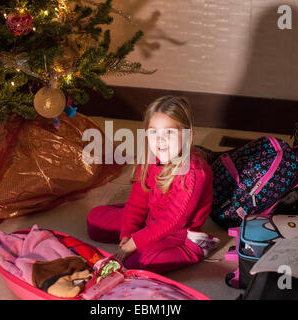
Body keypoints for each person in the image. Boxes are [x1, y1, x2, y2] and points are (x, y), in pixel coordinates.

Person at [86, 96, 219, 273]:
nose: (160, 140)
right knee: (95, 221)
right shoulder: (150, 160)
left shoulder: (194, 173)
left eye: (169, 132)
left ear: (187, 134)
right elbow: (136, 203)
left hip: (179, 234)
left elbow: (173, 221)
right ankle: (141, 235)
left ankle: (196, 249)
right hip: (150, 221)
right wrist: (127, 234)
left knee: (137, 262)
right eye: (153, 132)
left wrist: (134, 243)